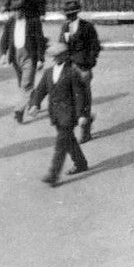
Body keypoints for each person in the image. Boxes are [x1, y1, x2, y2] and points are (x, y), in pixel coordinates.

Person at [28, 42, 91, 186]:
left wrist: (82, 114)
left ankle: (53, 174)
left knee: (61, 144)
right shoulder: (49, 72)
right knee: (69, 140)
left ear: (65, 56)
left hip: (69, 114)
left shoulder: (72, 72)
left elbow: (79, 94)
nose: (55, 59)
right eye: (53, 56)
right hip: (55, 114)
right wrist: (35, 104)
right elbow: (40, 90)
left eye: (58, 56)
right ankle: (81, 163)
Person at [58, 0, 100, 142]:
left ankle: (85, 131)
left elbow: (95, 46)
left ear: (76, 13)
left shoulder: (87, 27)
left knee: (84, 98)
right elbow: (61, 46)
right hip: (69, 68)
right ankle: (86, 119)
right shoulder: (64, 28)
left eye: (71, 14)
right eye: (66, 14)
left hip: (83, 67)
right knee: (71, 98)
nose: (68, 17)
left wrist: (89, 64)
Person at [0, 0, 46, 123]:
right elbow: (4, 39)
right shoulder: (10, 22)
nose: (15, 13)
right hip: (15, 57)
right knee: (22, 85)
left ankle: (19, 111)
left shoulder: (33, 21)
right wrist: (3, 53)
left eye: (18, 10)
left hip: (29, 57)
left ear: (23, 10)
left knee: (26, 85)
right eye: (13, 10)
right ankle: (35, 102)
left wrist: (41, 58)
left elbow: (40, 40)